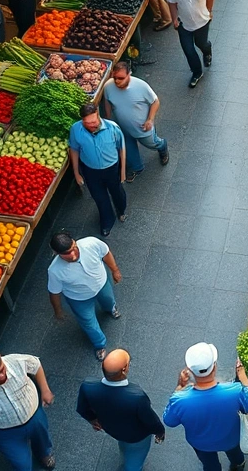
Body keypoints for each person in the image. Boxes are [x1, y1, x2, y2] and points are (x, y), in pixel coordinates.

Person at [163, 343, 248, 471]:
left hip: (201, 443)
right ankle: (238, 465)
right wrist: (242, 375)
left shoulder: (179, 400)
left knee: (209, 464)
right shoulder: (234, 391)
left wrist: (179, 387)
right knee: (235, 455)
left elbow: (169, 421)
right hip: (230, 438)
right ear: (214, 367)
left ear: (189, 371)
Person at [0, 350, 56, 471]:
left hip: (35, 416)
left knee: (43, 440)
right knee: (22, 465)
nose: (2, 376)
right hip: (5, 432)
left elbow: (36, 364)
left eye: (2, 369)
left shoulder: (16, 361)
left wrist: (45, 390)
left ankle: (44, 455)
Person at [77, 349, 166, 471]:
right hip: (136, 436)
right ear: (124, 370)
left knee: (123, 446)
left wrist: (93, 420)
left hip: (111, 428)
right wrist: (160, 432)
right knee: (134, 462)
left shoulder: (88, 386)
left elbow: (82, 408)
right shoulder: (137, 397)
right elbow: (150, 420)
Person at [47, 232, 122, 361]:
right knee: (88, 322)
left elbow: (106, 253)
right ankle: (100, 345)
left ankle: (111, 309)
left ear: (75, 242)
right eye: (65, 253)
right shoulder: (54, 270)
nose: (72, 255)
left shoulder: (91, 243)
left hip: (102, 283)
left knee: (109, 300)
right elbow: (54, 292)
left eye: (73, 249)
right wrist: (58, 310)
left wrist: (115, 270)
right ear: (56, 253)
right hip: (79, 299)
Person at [102, 62, 168, 182]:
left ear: (129, 75)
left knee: (152, 143)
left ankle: (162, 147)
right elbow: (107, 102)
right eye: (115, 77)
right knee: (128, 148)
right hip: (123, 126)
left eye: (121, 78)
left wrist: (150, 119)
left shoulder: (141, 86)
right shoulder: (108, 86)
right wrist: (108, 118)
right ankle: (137, 168)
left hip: (142, 127)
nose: (117, 81)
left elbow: (155, 101)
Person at [68, 104, 127, 236]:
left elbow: (121, 148)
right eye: (87, 123)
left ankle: (121, 210)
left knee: (117, 192)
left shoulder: (113, 128)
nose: (91, 125)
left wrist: (122, 171)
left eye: (93, 121)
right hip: (90, 170)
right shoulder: (76, 129)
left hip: (112, 168)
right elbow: (74, 149)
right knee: (99, 197)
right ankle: (107, 221)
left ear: (98, 114)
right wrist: (76, 173)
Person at [168, 0, 215, 88]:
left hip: (202, 22)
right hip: (184, 24)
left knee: (201, 43)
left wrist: (209, 11)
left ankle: (207, 51)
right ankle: (197, 73)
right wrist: (174, 19)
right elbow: (171, 2)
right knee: (188, 50)